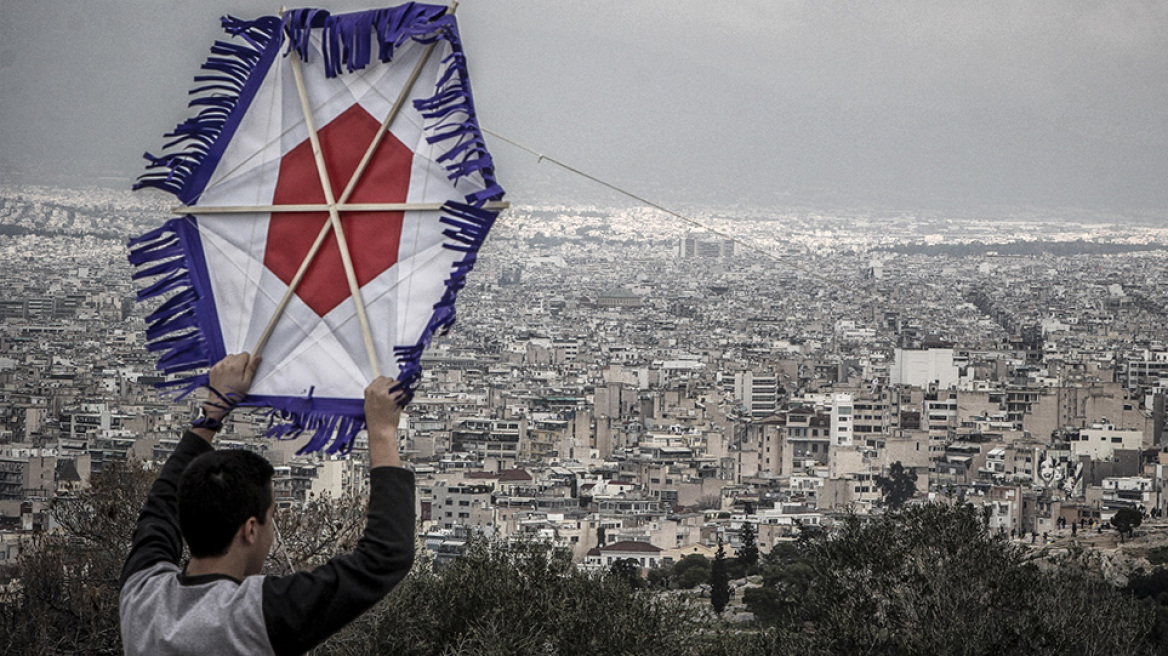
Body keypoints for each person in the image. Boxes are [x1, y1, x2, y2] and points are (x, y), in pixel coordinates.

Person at [119, 353, 415, 655]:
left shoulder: (142, 595)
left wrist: (212, 410)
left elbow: (161, 502)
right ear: (250, 529)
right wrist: (382, 433)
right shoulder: (255, 616)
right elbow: (385, 556)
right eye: (271, 516)